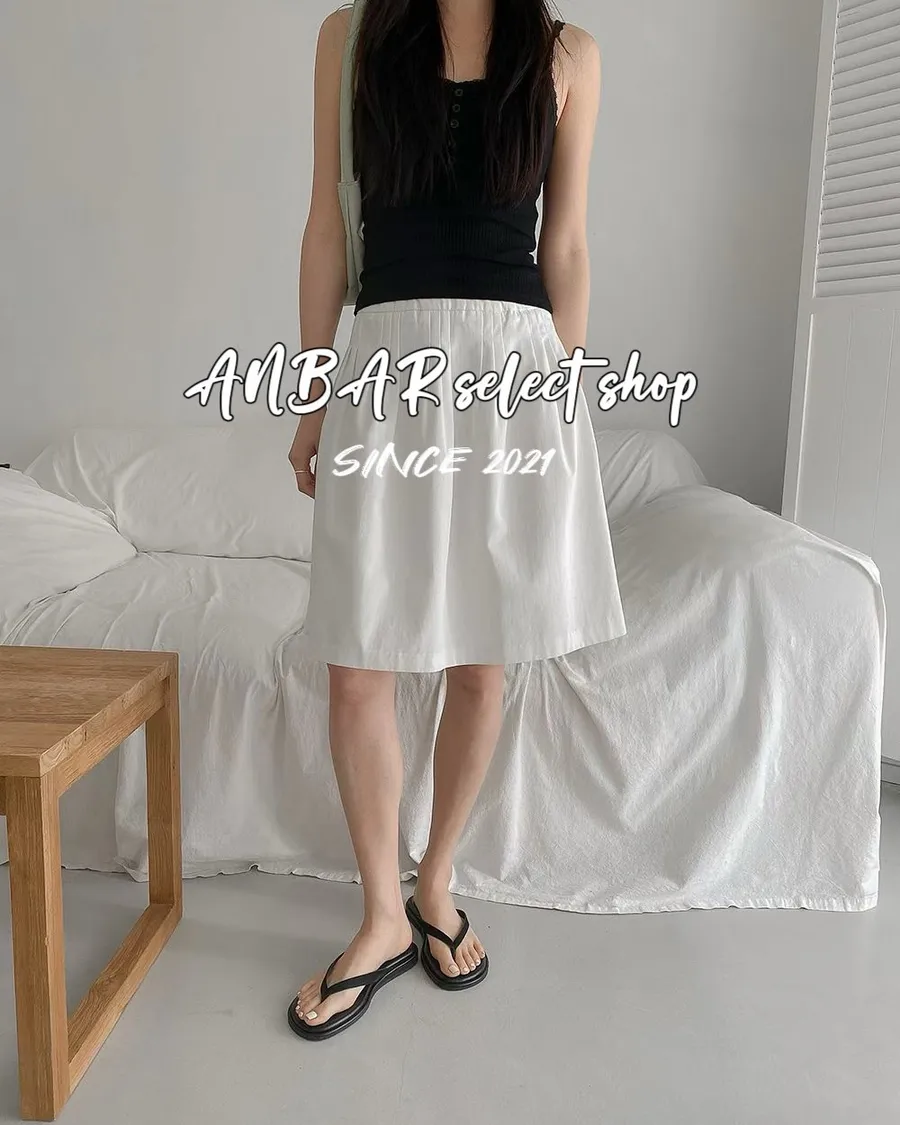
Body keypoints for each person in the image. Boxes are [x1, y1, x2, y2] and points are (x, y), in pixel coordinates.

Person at [287, 0, 626, 1040]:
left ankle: (435, 882)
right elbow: (326, 223)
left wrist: (563, 401)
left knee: (483, 660)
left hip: (514, 376)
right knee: (358, 664)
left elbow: (566, 242)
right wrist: (312, 398)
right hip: (385, 366)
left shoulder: (568, 54)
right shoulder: (349, 36)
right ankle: (381, 916)